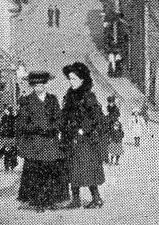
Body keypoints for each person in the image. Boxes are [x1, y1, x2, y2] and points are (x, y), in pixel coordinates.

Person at [16, 71, 67, 211]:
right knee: (35, 173)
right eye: (36, 85)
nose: (39, 87)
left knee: (51, 171)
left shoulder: (52, 99)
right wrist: (37, 128)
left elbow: (59, 119)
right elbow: (22, 123)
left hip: (50, 142)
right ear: (32, 86)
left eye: (41, 84)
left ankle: (50, 200)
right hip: (34, 143)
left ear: (45, 84)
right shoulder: (27, 101)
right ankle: (37, 201)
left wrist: (52, 128)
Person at [61, 62, 106, 209]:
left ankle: (96, 198)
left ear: (82, 80)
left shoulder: (88, 96)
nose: (71, 82)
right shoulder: (70, 95)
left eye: (74, 79)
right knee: (72, 169)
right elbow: (65, 115)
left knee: (87, 169)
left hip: (85, 140)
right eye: (69, 79)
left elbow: (97, 118)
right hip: (71, 138)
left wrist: (83, 129)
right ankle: (76, 200)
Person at [0, 105, 19, 172]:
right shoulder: (10, 117)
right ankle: (11, 164)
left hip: (9, 136)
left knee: (9, 149)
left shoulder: (6, 117)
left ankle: (8, 163)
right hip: (10, 136)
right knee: (12, 150)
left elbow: (1, 125)